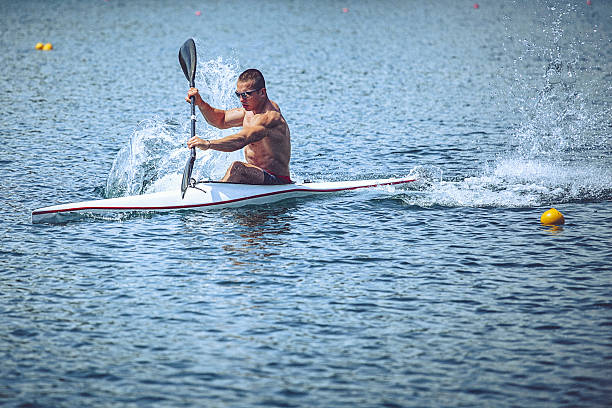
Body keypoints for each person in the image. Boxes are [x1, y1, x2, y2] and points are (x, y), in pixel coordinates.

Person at [185, 69, 292, 184]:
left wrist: (208, 144)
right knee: (237, 169)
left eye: (246, 95)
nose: (241, 100)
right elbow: (221, 120)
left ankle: (216, 196)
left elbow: (241, 140)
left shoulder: (269, 118)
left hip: (277, 180)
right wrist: (201, 103)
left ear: (262, 92)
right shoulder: (249, 111)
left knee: (237, 168)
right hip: (257, 176)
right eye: (238, 94)